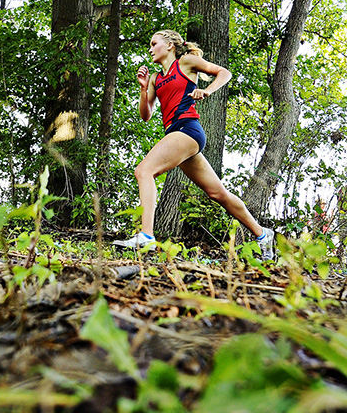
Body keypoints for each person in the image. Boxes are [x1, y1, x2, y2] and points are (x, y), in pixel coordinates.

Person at [113, 29, 275, 260]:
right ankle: (262, 234)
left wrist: (207, 91)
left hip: (187, 129)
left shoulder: (186, 62)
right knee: (217, 193)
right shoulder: (155, 79)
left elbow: (224, 73)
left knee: (144, 171)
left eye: (154, 43)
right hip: (177, 134)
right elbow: (146, 115)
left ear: (169, 45)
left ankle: (146, 236)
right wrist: (142, 88)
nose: (150, 49)